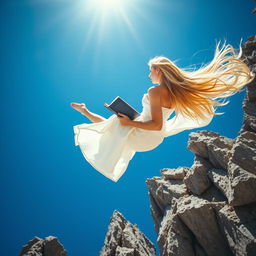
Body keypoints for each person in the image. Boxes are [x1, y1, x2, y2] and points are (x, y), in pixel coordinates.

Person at [70, 41, 254, 182]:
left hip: (148, 134)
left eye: (150, 71)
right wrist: (130, 121)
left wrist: (129, 122)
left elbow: (157, 124)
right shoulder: (173, 94)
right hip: (149, 135)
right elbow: (155, 121)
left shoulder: (155, 91)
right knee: (115, 121)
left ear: (158, 70)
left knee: (117, 122)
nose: (149, 74)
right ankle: (86, 111)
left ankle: (86, 112)